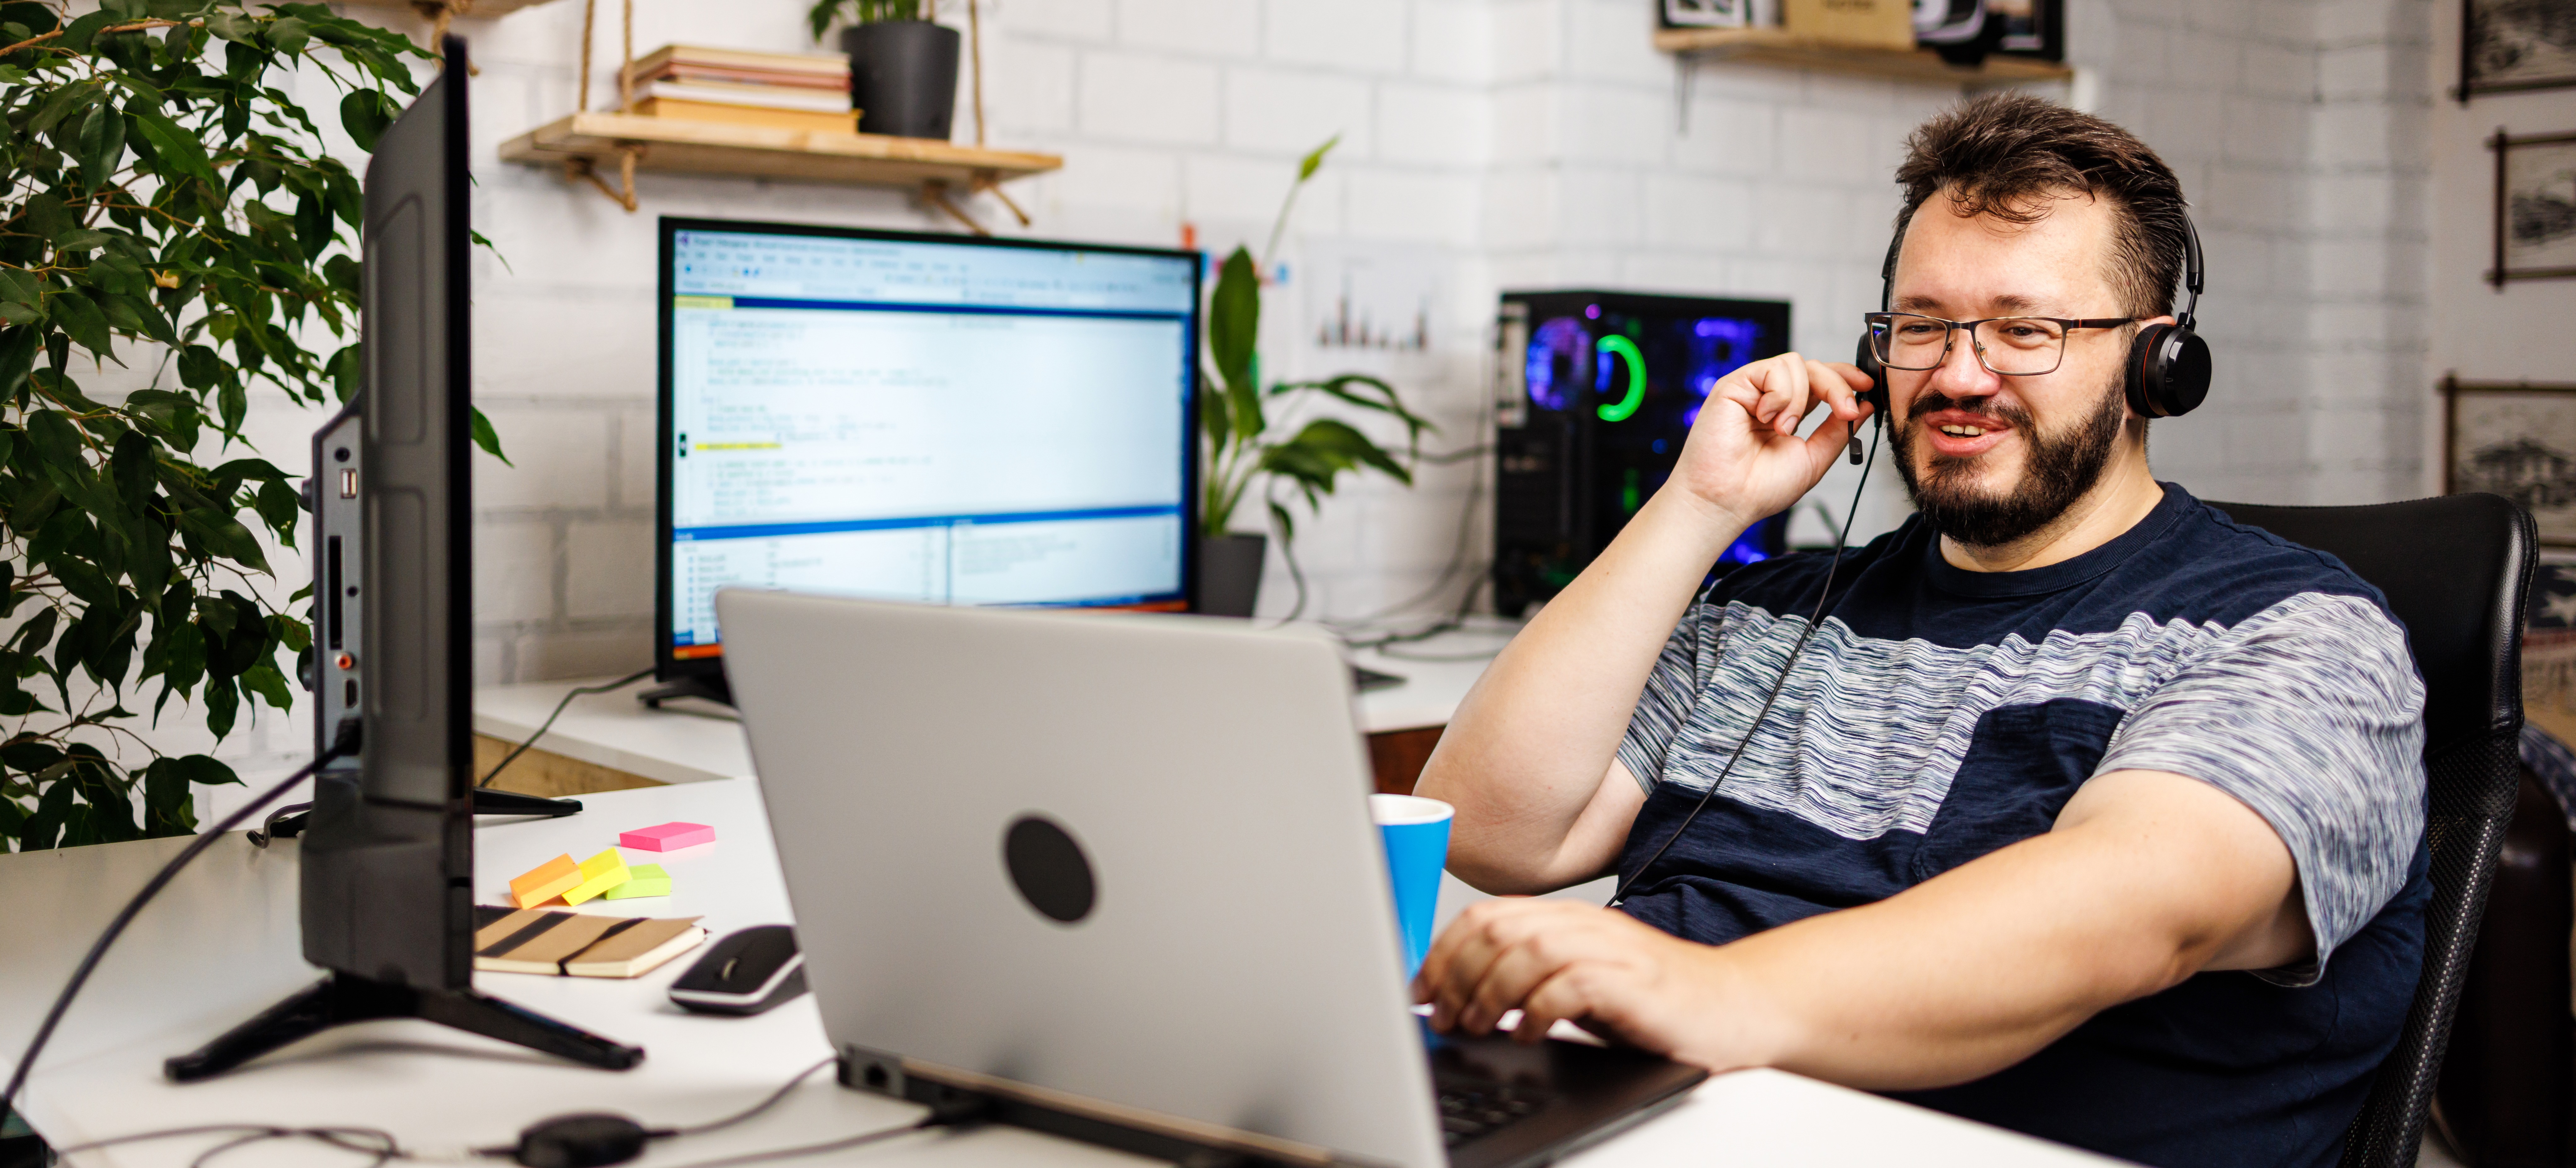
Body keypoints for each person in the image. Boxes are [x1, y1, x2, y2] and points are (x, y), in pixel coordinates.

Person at [1410, 92, 2426, 1168]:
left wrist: (1711, 993)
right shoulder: (1771, 614)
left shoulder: (2296, 635)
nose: (1957, 375)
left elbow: (2132, 909)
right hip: (1615, 1125)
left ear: (2156, 366)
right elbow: (1489, 828)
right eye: (1925, 325)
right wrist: (1698, 508)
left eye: (2026, 330)